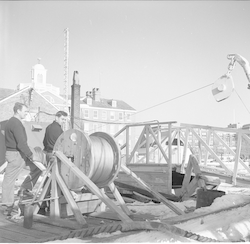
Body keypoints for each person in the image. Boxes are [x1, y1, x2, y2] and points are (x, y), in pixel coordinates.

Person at [2, 102, 42, 215]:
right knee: (8, 180)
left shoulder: (12, 122)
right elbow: (21, 143)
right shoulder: (16, 123)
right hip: (16, 155)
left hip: (18, 155)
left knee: (38, 168)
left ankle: (25, 188)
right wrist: (31, 155)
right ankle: (7, 206)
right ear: (18, 111)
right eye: (25, 111)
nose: (26, 113)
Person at [39, 110, 68, 214]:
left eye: (65, 120)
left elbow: (44, 142)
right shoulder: (59, 131)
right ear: (57, 117)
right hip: (56, 155)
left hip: (48, 154)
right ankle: (54, 204)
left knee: (49, 178)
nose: (64, 121)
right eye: (62, 119)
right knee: (57, 179)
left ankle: (43, 204)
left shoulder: (48, 128)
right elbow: (63, 144)